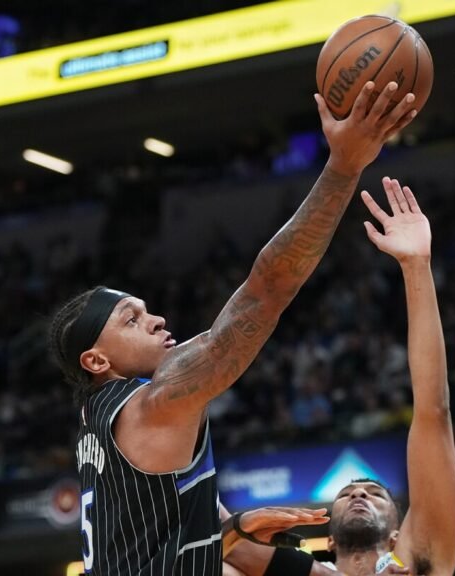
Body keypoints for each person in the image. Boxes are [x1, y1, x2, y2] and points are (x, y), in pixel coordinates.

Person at [49, 81, 418, 576]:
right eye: (131, 319)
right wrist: (344, 167)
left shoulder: (101, 422)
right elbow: (267, 289)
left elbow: (205, 540)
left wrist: (245, 530)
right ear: (96, 360)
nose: (156, 320)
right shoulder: (154, 404)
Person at [324, 179, 455, 575]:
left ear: (398, 534)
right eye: (348, 493)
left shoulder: (416, 562)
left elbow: (433, 411)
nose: (359, 494)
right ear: (328, 540)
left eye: (374, 494)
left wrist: (415, 265)